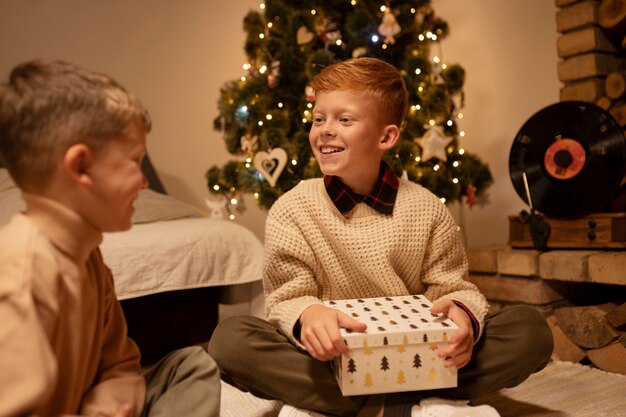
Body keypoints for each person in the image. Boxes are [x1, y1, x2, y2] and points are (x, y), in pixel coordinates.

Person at [208, 57, 553, 417]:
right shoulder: (292, 209)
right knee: (230, 341)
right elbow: (285, 298)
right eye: (319, 118)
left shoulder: (426, 208)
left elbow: (451, 287)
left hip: (419, 355)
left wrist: (463, 318)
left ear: (386, 136)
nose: (325, 129)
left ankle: (365, 405)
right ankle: (410, 405)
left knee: (531, 332)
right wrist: (308, 314)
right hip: (329, 358)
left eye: (344, 119)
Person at [0, 60, 221, 417]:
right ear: (81, 167)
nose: (145, 181)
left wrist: (116, 389)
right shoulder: (21, 276)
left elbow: (121, 361)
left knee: (191, 364)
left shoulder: (88, 256)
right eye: (135, 161)